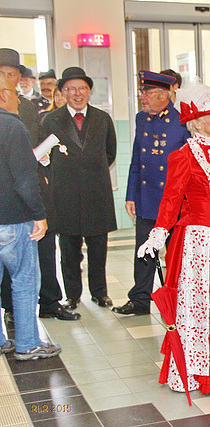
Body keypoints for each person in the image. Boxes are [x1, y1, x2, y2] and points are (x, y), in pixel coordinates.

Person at [137, 80, 210, 394]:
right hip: (198, 242)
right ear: (195, 122)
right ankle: (197, 370)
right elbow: (170, 199)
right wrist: (157, 235)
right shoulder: (184, 155)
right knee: (201, 305)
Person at [0, 49, 77, 322]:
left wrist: (41, 154)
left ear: (20, 78)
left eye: (13, 75)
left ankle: (49, 301)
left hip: (33, 183)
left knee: (45, 247)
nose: (9, 79)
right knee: (10, 257)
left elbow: (33, 144)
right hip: (9, 191)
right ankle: (10, 308)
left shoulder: (28, 107)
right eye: (3, 74)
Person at [113, 71, 189, 316]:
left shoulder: (183, 120)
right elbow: (137, 159)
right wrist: (131, 195)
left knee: (176, 254)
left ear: (165, 94)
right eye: (142, 92)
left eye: (148, 93)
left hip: (173, 202)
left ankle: (179, 298)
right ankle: (140, 299)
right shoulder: (141, 119)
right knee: (143, 252)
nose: (142, 97)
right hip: (146, 199)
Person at [41, 66, 117, 310]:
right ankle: (72, 294)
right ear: (62, 92)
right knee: (69, 248)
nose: (77, 93)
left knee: (98, 248)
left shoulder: (102, 118)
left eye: (82, 88)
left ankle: (100, 293)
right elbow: (43, 156)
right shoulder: (50, 120)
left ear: (89, 91)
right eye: (71, 88)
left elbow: (110, 152)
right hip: (65, 194)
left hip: (97, 192)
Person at [0, 75, 62, 360]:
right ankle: (27, 343)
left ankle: (2, 341)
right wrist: (40, 215)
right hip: (14, 219)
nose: (18, 99)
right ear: (3, 96)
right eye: (14, 93)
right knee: (24, 282)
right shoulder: (13, 127)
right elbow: (25, 180)